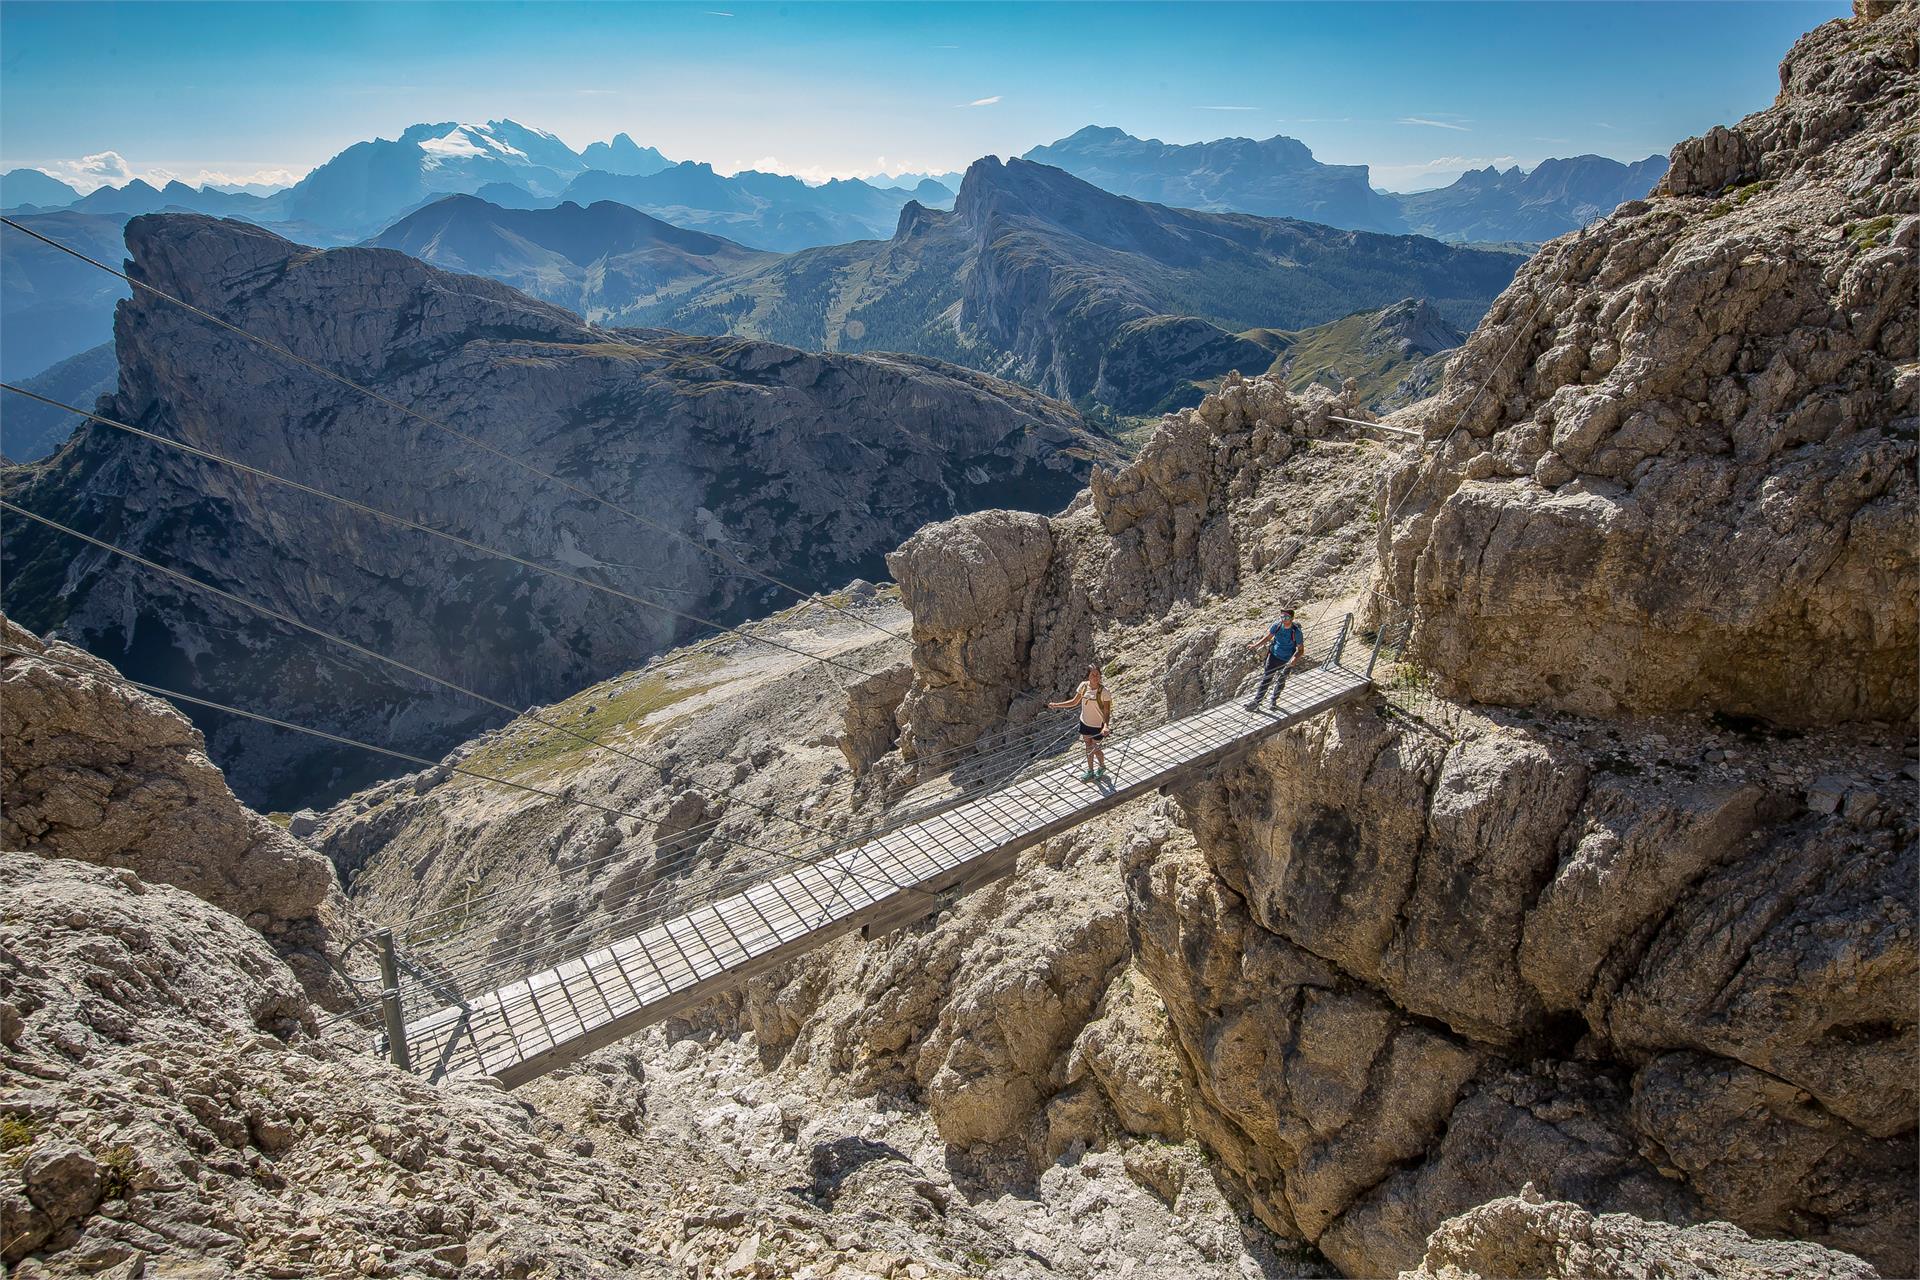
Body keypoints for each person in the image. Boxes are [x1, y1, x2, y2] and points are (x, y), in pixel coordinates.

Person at [1050, 663, 1113, 782]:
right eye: (1093, 675)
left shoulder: (1104, 691)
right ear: (1088, 676)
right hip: (1084, 722)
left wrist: (1106, 726)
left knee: (1095, 748)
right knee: (1088, 746)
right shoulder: (1083, 686)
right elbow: (1074, 702)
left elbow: (1107, 711)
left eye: (1097, 675)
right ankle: (1090, 770)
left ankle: (1102, 765)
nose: (1096, 677)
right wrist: (1057, 705)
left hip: (1097, 725)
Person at [1248, 608, 1305, 709]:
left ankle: (1273, 701)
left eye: (1286, 617)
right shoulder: (1277, 625)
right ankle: (1256, 702)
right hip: (1273, 656)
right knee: (1266, 679)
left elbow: (1301, 650)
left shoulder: (1296, 632)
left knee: (1281, 680)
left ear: (1292, 618)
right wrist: (1255, 645)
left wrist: (1295, 659)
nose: (1283, 619)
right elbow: (1268, 637)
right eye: (1282, 616)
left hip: (1287, 659)